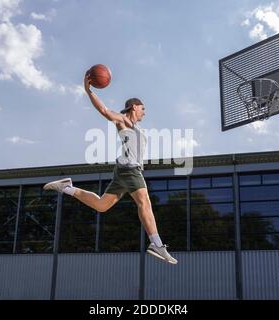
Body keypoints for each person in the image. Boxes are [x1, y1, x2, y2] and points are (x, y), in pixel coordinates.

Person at [43, 71, 178, 264]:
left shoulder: (136, 127)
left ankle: (66, 187)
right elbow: (105, 111)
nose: (144, 112)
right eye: (143, 108)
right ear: (134, 106)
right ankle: (156, 244)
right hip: (129, 169)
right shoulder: (123, 121)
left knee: (101, 205)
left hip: (125, 170)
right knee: (144, 202)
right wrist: (89, 91)